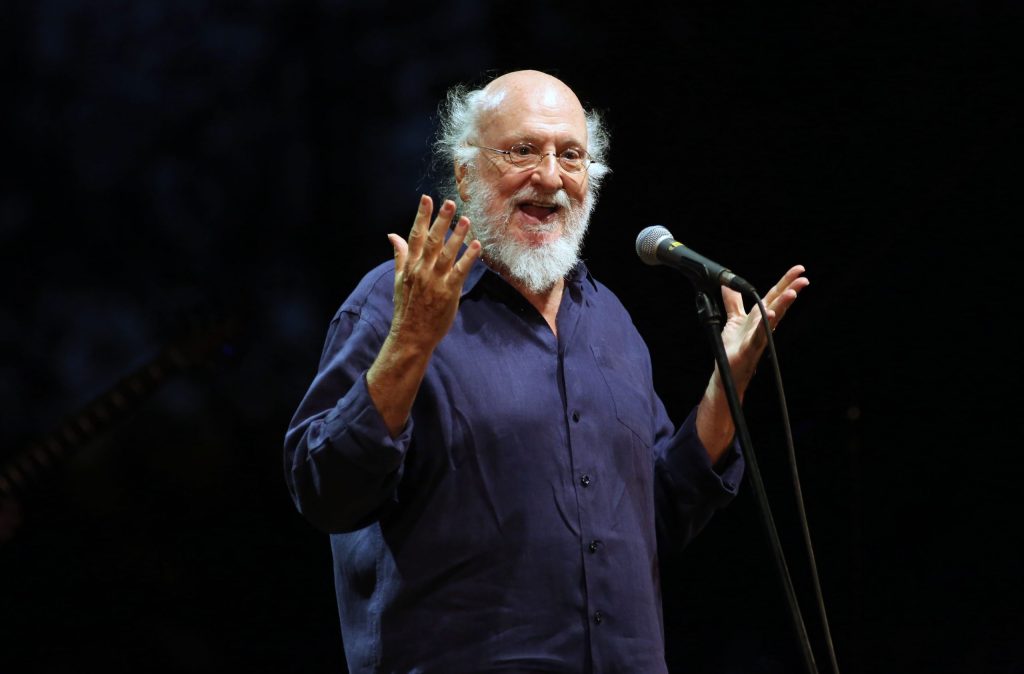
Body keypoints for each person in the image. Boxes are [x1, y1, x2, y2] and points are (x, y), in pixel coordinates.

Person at [284, 70, 808, 674]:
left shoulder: (611, 323)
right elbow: (325, 489)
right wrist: (411, 340)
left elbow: (656, 517)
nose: (552, 177)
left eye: (571, 156)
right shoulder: (395, 302)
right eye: (523, 151)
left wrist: (727, 387)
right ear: (465, 173)